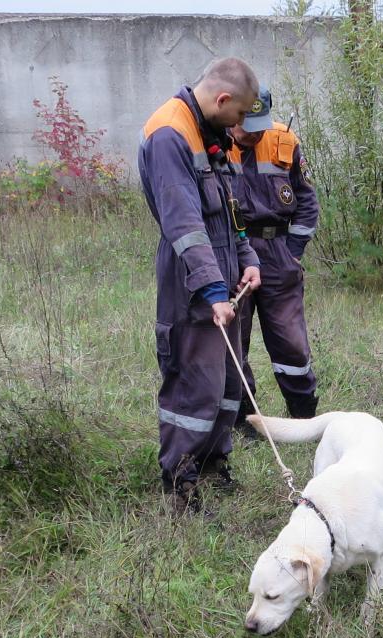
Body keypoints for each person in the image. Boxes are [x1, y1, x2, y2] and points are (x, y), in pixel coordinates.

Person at [138, 57, 263, 514]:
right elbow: (184, 223)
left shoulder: (214, 135)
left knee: (227, 380)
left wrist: (247, 259)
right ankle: (180, 480)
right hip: (190, 281)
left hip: (225, 276)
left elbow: (231, 212)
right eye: (243, 114)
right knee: (194, 384)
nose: (243, 125)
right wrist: (212, 290)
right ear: (223, 99)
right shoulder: (170, 132)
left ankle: (213, 464)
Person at [227, 86, 321, 432]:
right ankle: (243, 421)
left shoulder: (285, 141)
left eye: (259, 124)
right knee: (235, 343)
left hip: (278, 254)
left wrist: (292, 253)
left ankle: (303, 419)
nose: (253, 133)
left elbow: (308, 202)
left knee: (291, 344)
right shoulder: (212, 144)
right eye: (245, 124)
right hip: (235, 254)